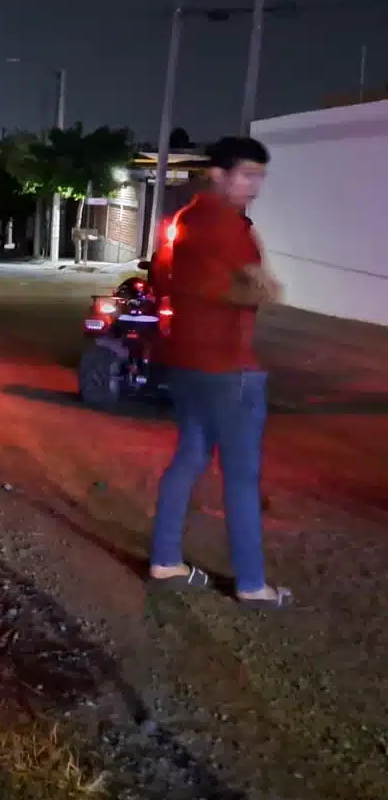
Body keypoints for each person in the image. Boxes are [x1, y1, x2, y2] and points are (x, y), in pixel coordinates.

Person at [147, 136, 289, 608]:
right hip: (231, 367)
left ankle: (166, 560)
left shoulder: (181, 221)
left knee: (189, 457)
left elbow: (161, 278)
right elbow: (259, 291)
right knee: (242, 476)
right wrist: (258, 282)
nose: (255, 186)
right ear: (219, 173)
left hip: (186, 362)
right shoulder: (231, 228)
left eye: (260, 177)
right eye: (246, 175)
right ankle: (252, 584)